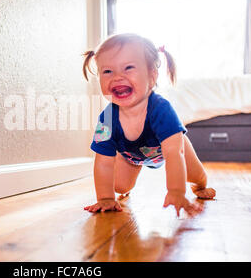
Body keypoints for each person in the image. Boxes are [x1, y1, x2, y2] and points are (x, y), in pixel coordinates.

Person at [82, 33, 216, 217]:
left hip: (172, 147)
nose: (117, 77)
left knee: (196, 174)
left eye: (128, 68)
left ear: (152, 76)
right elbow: (104, 162)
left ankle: (200, 184)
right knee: (119, 186)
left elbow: (174, 154)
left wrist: (176, 192)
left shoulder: (161, 109)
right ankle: (125, 181)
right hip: (130, 156)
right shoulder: (106, 119)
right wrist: (105, 198)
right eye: (107, 71)